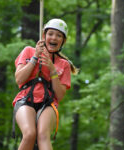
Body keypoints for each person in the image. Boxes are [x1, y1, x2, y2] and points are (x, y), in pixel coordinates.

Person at [12, 18, 78, 150]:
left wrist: (52, 69)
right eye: (51, 34)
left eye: (59, 35)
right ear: (44, 36)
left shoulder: (63, 64)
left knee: (42, 134)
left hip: (48, 103)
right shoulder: (29, 51)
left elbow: (59, 96)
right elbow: (19, 79)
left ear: (62, 41)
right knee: (30, 134)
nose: (54, 38)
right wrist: (35, 57)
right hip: (26, 99)